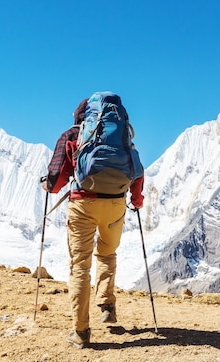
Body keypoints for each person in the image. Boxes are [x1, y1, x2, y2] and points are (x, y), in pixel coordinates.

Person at [42, 96, 144, 349]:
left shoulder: (72, 135)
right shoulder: (122, 137)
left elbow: (55, 181)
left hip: (83, 204)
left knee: (80, 266)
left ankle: (80, 331)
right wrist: (137, 200)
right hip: (115, 204)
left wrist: (47, 184)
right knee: (108, 254)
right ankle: (107, 305)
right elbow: (137, 170)